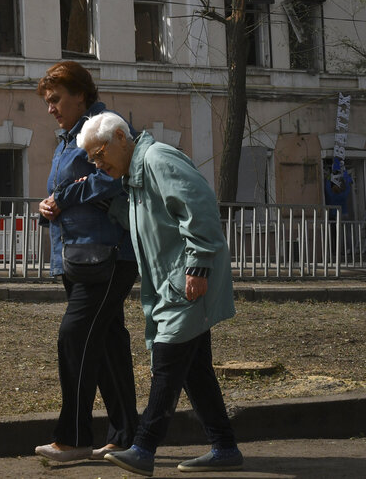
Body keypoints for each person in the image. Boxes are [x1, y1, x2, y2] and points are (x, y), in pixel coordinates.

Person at [77, 111, 243, 476]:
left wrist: (198, 264)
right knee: (194, 370)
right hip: (171, 284)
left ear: (121, 137)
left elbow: (198, 207)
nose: (98, 162)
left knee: (167, 363)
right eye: (92, 158)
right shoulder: (135, 177)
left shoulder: (157, 159)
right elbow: (152, 218)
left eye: (100, 152)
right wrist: (108, 205)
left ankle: (144, 447)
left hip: (185, 281)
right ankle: (225, 447)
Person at [33, 61, 140, 463]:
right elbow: (68, 190)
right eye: (47, 102)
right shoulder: (67, 138)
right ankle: (127, 436)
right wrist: (48, 205)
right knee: (108, 344)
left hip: (108, 254)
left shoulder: (104, 128)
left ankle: (75, 437)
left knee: (74, 337)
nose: (50, 109)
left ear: (81, 95)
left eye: (56, 99)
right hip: (78, 255)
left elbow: (117, 174)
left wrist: (64, 198)